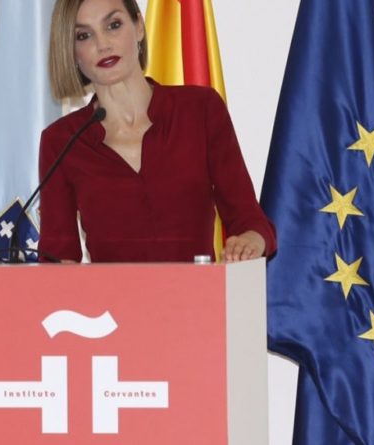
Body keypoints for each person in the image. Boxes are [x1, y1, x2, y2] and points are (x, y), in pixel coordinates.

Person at [38, 0, 276, 263]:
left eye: (113, 25)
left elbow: (250, 221)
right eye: (84, 35)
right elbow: (57, 258)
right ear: (70, 52)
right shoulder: (60, 141)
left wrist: (251, 241)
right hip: (107, 303)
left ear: (139, 26)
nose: (102, 44)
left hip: (198, 299)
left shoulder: (201, 110)